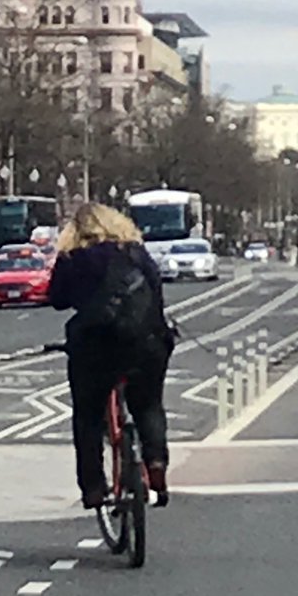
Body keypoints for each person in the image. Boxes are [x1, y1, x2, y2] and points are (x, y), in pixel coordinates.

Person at [50, 202, 174, 509]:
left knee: (88, 416)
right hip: (145, 344)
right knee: (148, 405)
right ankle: (156, 461)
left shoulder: (72, 258)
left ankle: (93, 487)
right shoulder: (136, 253)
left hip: (95, 347)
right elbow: (157, 294)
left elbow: (56, 299)